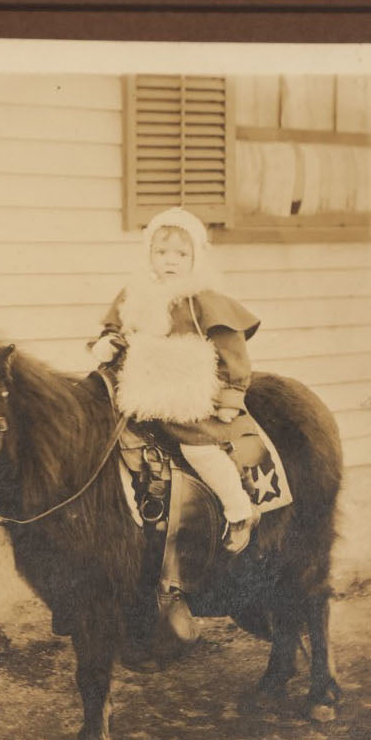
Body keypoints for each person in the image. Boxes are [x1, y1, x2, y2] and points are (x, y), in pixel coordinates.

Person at [91, 206, 261, 556]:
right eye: (161, 252)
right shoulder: (134, 295)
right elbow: (115, 329)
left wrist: (230, 396)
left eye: (181, 254)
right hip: (137, 389)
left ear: (195, 257)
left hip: (185, 394)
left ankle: (239, 510)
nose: (170, 261)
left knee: (197, 447)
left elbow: (231, 350)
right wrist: (108, 343)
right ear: (149, 256)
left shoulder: (202, 300)